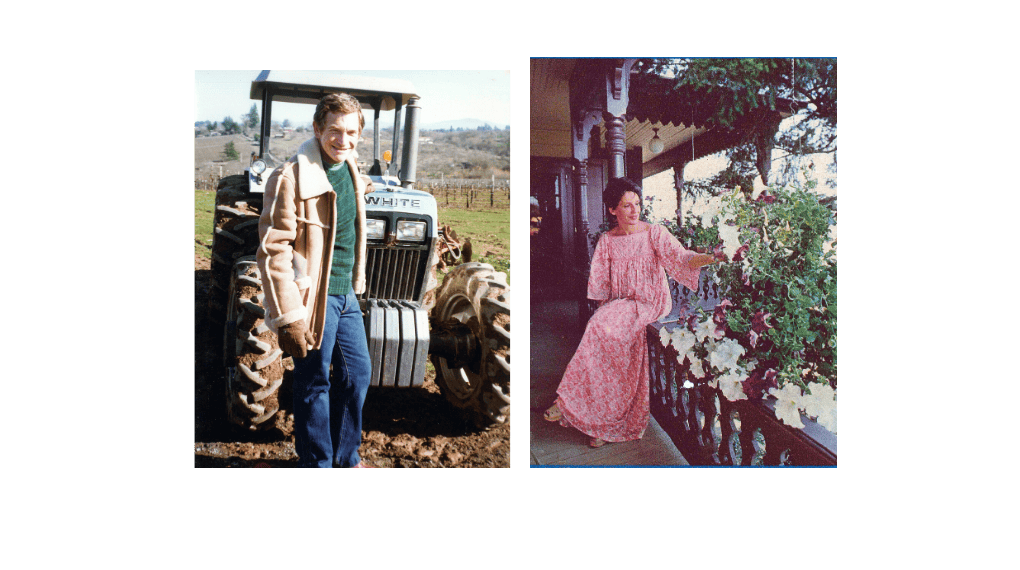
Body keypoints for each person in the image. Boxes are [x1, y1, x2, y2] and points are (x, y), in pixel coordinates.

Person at [544, 178, 716, 448]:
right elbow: (600, 283)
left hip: (651, 302)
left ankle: (568, 404)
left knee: (602, 328)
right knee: (602, 334)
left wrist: (711, 256)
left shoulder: (654, 233)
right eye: (627, 205)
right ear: (613, 210)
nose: (635, 211)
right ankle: (598, 421)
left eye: (637, 204)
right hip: (622, 304)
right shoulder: (607, 241)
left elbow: (682, 258)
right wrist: (605, 312)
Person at [257, 93, 375, 468]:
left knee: (357, 376)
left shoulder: (353, 170)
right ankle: (318, 465)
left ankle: (345, 459)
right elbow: (273, 251)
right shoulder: (289, 178)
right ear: (317, 129)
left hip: (347, 295)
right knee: (314, 383)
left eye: (352, 132)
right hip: (311, 300)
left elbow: (349, 192)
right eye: (335, 131)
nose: (344, 140)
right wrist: (288, 317)